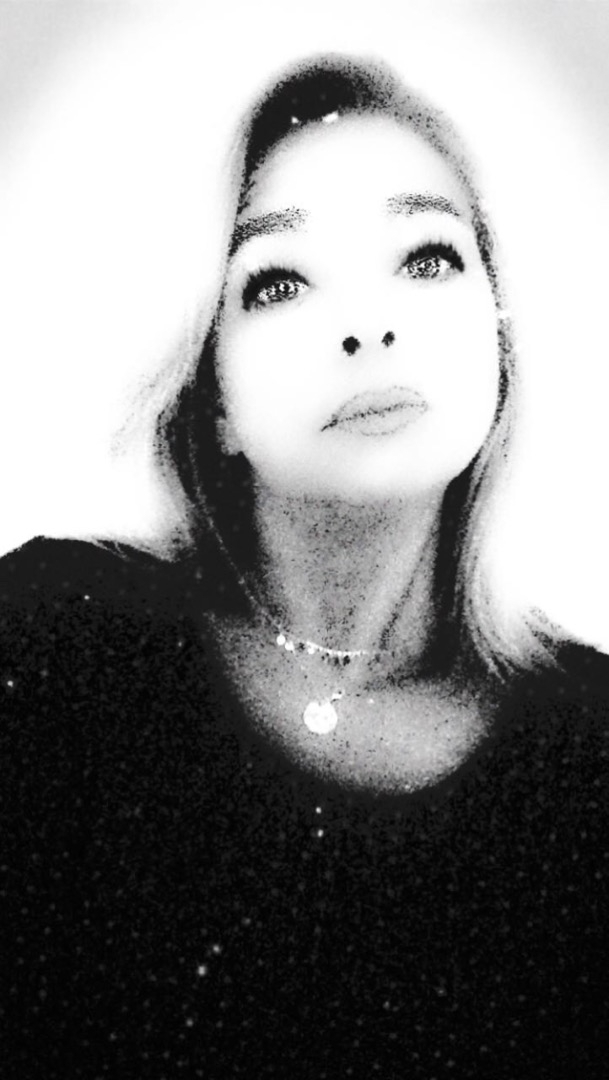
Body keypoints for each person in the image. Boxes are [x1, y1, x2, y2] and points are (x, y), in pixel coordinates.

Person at [2, 53, 608, 1078]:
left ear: (499, 335)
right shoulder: (53, 646)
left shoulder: (589, 760)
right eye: (278, 281)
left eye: (427, 257)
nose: (369, 326)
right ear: (211, 394)